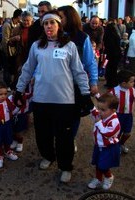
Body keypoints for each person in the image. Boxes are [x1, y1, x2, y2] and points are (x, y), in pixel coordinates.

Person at [14, 10, 93, 183]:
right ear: (43, 26)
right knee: (43, 133)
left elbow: (79, 72)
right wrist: (19, 90)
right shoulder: (37, 46)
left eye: (52, 23)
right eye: (46, 23)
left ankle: (65, 166)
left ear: (59, 25)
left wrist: (86, 93)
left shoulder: (69, 46)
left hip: (64, 100)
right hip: (41, 99)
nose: (49, 26)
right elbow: (27, 69)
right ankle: (48, 156)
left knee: (64, 136)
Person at [58, 5, 98, 152]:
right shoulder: (53, 35)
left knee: (74, 115)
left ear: (69, 18)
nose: (57, 20)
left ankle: (70, 139)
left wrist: (93, 82)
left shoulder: (82, 38)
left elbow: (90, 62)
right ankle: (59, 139)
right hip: (56, 85)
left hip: (74, 85)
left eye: (60, 17)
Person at [88, 93, 120, 190]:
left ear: (113, 110)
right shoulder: (103, 114)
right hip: (99, 146)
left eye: (103, 110)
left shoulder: (114, 121)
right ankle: (98, 178)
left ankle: (109, 177)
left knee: (103, 165)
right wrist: (87, 101)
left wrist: (98, 122)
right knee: (98, 163)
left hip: (109, 148)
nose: (99, 112)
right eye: (99, 108)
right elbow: (93, 111)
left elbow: (107, 133)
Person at [109, 70, 135, 154]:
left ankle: (121, 144)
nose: (133, 83)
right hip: (118, 115)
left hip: (128, 115)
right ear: (124, 83)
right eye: (131, 81)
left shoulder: (133, 90)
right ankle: (115, 146)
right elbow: (107, 101)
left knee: (127, 133)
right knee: (117, 133)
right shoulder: (114, 91)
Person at [0, 9, 22, 88]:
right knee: (6, 68)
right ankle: (6, 85)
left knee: (12, 68)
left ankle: (11, 84)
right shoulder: (7, 25)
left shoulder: (17, 25)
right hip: (6, 50)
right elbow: (5, 41)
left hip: (13, 51)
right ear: (19, 16)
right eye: (22, 17)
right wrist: (7, 53)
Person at [103, 22, 121, 88]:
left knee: (109, 69)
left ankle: (110, 83)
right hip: (116, 55)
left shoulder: (107, 36)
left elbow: (107, 46)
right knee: (114, 70)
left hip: (110, 55)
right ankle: (113, 83)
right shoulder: (116, 35)